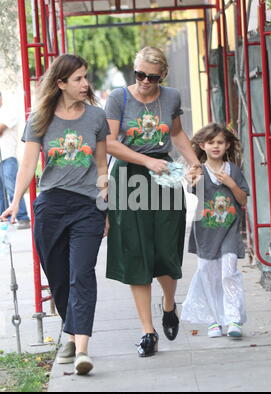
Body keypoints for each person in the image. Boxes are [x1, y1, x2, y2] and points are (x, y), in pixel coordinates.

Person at [0, 54, 110, 375]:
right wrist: (14, 200)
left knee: (82, 274)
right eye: (77, 79)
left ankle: (82, 349)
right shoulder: (40, 118)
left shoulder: (96, 118)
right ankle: (71, 332)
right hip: (51, 207)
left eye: (85, 77)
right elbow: (27, 164)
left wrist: (105, 208)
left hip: (88, 206)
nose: (85, 84)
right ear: (60, 83)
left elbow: (102, 166)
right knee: (60, 278)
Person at [105, 46, 201, 357]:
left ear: (163, 76)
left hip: (165, 175)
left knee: (166, 248)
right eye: (140, 74)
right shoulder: (118, 98)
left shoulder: (171, 96)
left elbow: (177, 134)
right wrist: (146, 162)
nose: (145, 81)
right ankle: (148, 332)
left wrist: (194, 163)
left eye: (152, 76)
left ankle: (169, 305)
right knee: (137, 252)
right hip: (130, 176)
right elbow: (109, 144)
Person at [181, 123, 250, 339]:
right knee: (208, 276)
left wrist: (231, 183)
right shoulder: (199, 170)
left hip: (229, 230)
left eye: (220, 142)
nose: (216, 146)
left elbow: (242, 200)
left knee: (229, 272)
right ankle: (213, 320)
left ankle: (232, 319)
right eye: (211, 142)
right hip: (206, 232)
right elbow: (193, 188)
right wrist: (191, 178)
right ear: (202, 145)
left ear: (227, 144)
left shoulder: (234, 171)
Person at [0, 91, 31, 230]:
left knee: (13, 187)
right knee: (1, 191)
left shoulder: (8, 112)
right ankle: (3, 218)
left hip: (8, 156)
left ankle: (23, 218)